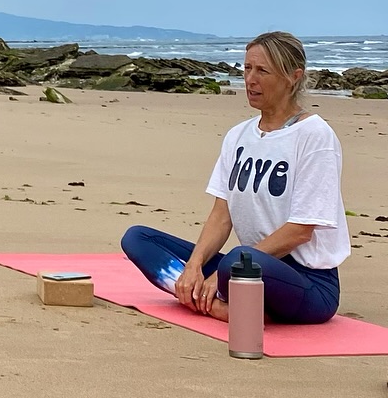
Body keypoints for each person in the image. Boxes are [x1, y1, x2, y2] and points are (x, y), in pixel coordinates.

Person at [121, 31, 349, 325]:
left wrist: (221, 274)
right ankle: (215, 303)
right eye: (247, 68)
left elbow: (300, 231)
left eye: (262, 71)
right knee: (138, 238)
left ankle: (217, 302)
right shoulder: (238, 135)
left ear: (293, 77)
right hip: (246, 266)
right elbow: (221, 216)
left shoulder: (314, 136)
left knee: (235, 262)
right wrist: (194, 266)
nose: (250, 79)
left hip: (308, 284)